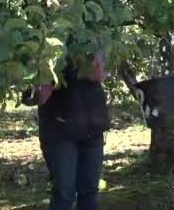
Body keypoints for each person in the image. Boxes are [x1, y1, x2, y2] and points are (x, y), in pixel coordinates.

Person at [22, 50, 110, 210]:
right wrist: (42, 89)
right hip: (60, 130)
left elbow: (103, 70)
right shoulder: (44, 41)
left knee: (89, 190)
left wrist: (100, 67)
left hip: (93, 125)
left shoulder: (92, 36)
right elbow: (28, 94)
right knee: (64, 193)